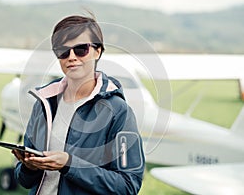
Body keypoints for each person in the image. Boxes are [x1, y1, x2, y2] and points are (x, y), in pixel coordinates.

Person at [12, 14, 145, 195]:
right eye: (63, 51)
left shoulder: (118, 111)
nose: (71, 57)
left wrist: (69, 164)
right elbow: (24, 180)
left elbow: (128, 185)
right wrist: (29, 167)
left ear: (97, 51)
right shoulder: (44, 104)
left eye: (81, 49)